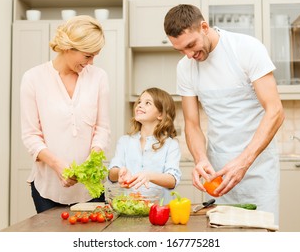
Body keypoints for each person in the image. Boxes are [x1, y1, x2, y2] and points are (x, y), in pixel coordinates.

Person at [164, 4, 285, 222]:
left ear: (204, 26)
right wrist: (200, 159)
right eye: (180, 50)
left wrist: (243, 163)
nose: (189, 55)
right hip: (217, 175)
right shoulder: (185, 67)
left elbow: (275, 111)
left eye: (191, 45)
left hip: (258, 170)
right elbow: (192, 123)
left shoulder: (246, 48)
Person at [20, 15, 111, 213]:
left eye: (95, 55)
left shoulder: (99, 77)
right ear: (69, 48)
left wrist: (93, 158)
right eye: (88, 55)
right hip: (48, 188)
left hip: (90, 188)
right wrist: (58, 165)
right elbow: (30, 136)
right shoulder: (33, 78)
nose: (91, 62)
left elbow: (102, 128)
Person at [108, 87, 182, 203]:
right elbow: (112, 174)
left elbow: (172, 179)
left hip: (159, 210)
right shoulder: (124, 141)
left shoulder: (171, 145)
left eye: (147, 103)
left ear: (161, 115)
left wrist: (149, 176)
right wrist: (120, 171)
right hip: (130, 208)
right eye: (139, 102)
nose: (140, 105)